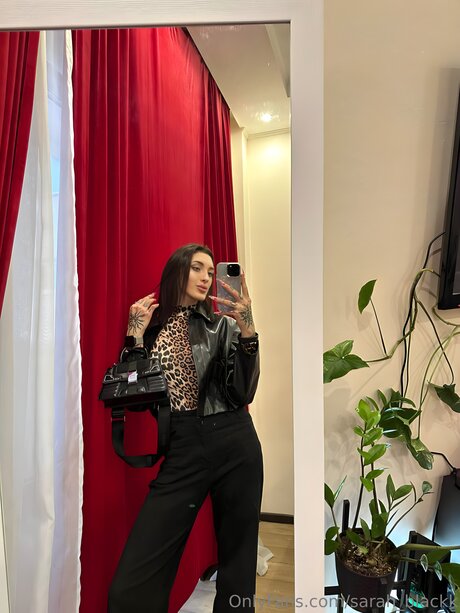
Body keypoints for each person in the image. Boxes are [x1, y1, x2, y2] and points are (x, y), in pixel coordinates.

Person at [108, 243, 263, 613]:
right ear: (177, 270)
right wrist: (134, 337)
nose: (206, 277)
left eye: (210, 271)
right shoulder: (153, 331)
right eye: (197, 268)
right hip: (184, 447)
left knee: (239, 565)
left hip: (235, 442)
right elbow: (136, 401)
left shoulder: (224, 325)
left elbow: (243, 392)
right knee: (133, 580)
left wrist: (248, 330)